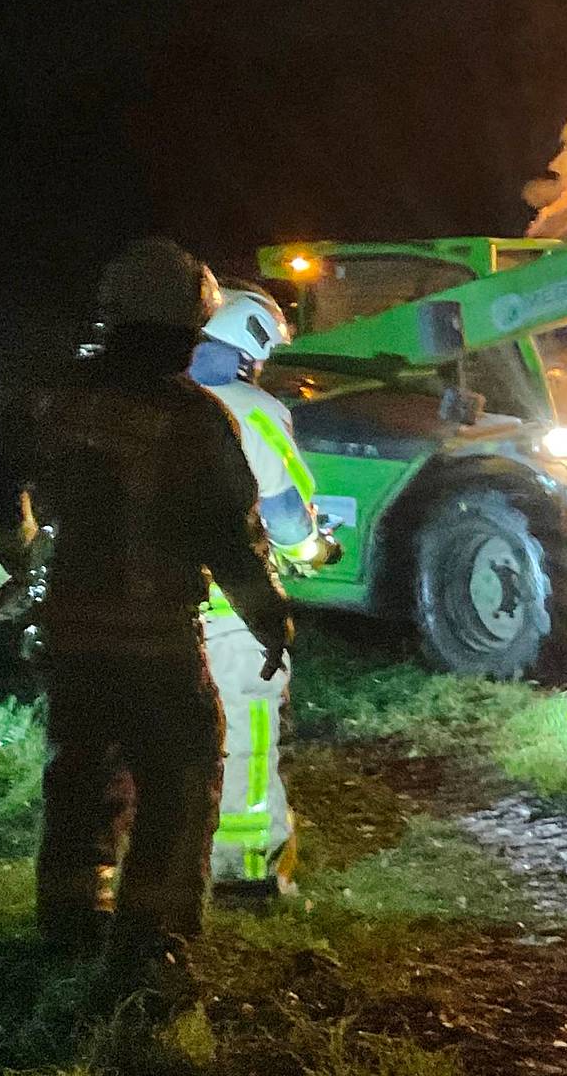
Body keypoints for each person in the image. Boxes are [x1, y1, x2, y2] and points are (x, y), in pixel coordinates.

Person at [0, 238, 292, 991]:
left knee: (80, 780)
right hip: (157, 646)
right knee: (178, 786)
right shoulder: (192, 418)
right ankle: (152, 942)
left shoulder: (51, 400)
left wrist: (22, 553)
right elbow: (229, 533)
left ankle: (69, 925)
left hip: (72, 638)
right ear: (185, 328)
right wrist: (268, 618)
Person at [190, 285, 324, 901]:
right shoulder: (251, 409)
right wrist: (314, 551)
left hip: (144, 607)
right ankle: (245, 870)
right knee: (244, 734)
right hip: (229, 614)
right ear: (254, 345)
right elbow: (287, 515)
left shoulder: (148, 400)